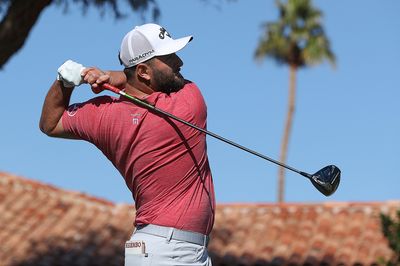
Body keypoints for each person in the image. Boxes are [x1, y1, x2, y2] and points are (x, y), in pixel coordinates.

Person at [40, 23, 215, 266]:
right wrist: (115, 76)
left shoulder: (103, 115)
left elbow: (51, 123)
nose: (179, 62)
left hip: (156, 248)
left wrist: (64, 82)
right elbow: (145, 85)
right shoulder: (188, 104)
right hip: (169, 251)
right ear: (143, 71)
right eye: (169, 57)